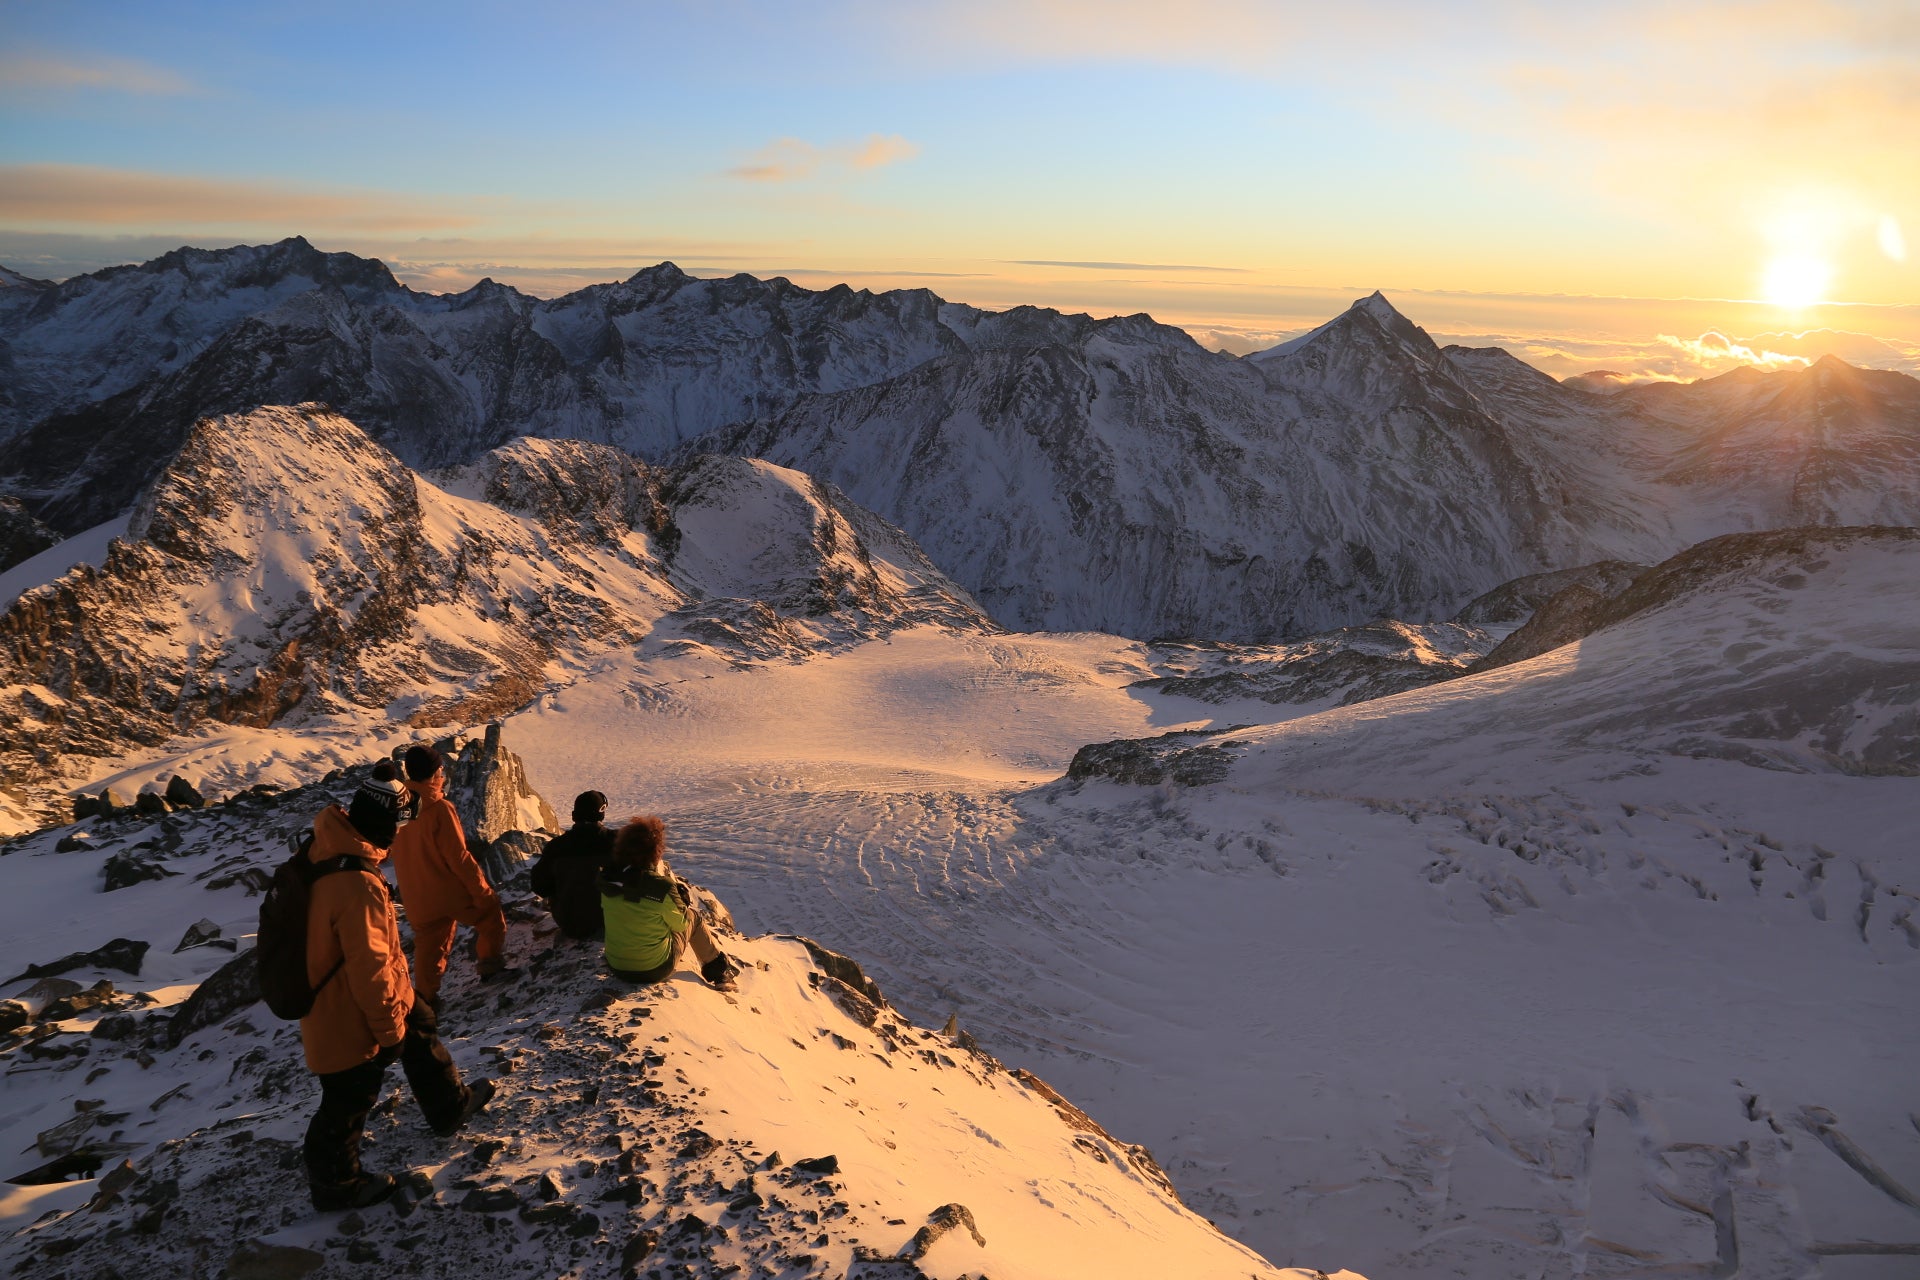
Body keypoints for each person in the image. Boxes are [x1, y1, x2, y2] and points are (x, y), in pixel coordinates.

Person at [301, 762, 493, 1211]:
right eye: (400, 826)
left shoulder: (330, 846)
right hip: (342, 1006)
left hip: (353, 990)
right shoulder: (358, 884)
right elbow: (369, 972)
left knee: (421, 1024)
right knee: (351, 1093)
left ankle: (449, 1106)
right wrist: (389, 1034)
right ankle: (336, 1184)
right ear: (387, 823)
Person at [389, 744, 510, 1011]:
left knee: (429, 946)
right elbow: (459, 858)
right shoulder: (439, 808)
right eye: (440, 768)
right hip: (445, 892)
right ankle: (490, 966)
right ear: (434, 774)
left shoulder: (398, 808)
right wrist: (481, 892)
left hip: (414, 895)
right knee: (489, 914)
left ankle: (426, 1000)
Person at [598, 815, 740, 989]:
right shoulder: (660, 887)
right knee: (693, 918)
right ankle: (720, 973)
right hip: (653, 968)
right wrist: (681, 904)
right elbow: (680, 924)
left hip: (617, 967)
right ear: (655, 850)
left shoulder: (607, 879)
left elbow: (631, 896)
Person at [530, 790, 617, 940]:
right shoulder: (617, 842)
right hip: (612, 919)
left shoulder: (556, 846)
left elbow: (539, 886)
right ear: (601, 812)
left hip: (570, 923)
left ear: (574, 815)